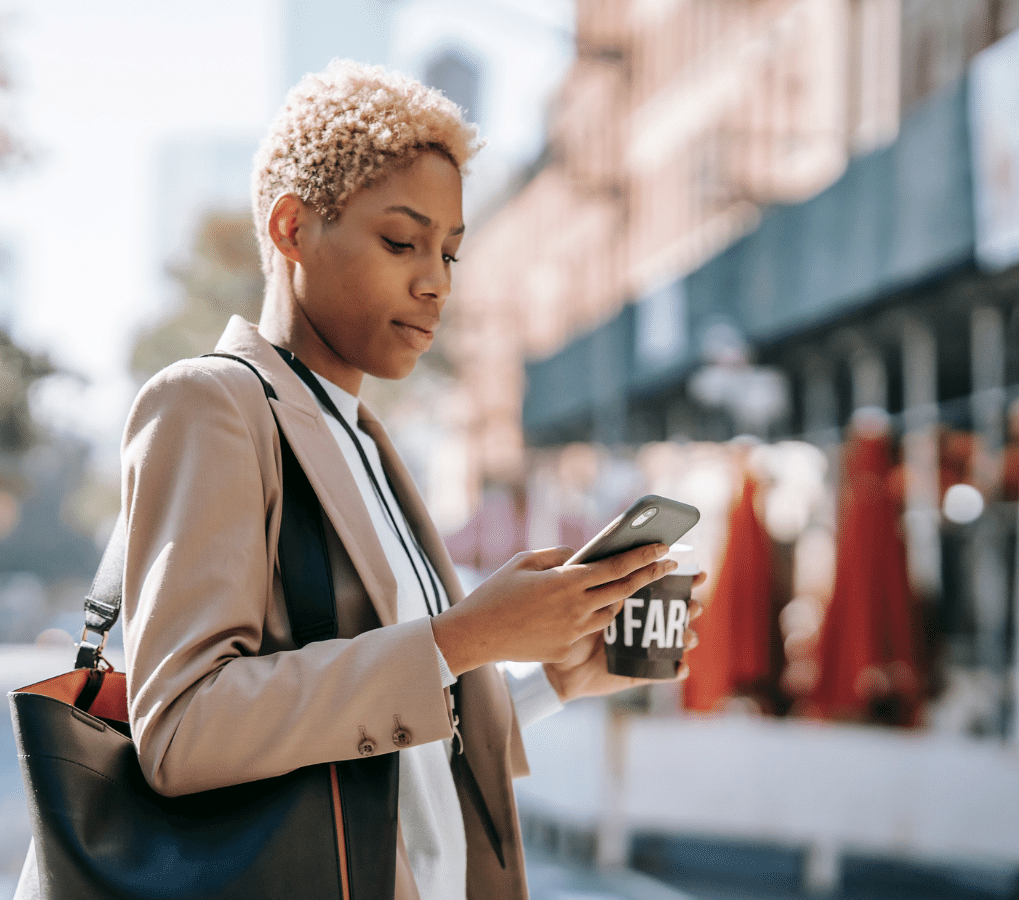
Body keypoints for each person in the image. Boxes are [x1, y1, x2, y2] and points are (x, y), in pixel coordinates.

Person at [120, 59, 704, 900]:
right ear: (290, 230)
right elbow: (182, 731)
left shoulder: (363, 438)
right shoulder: (210, 405)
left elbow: (404, 735)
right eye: (402, 242)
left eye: (451, 253)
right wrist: (463, 637)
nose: (434, 282)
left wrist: (557, 673)